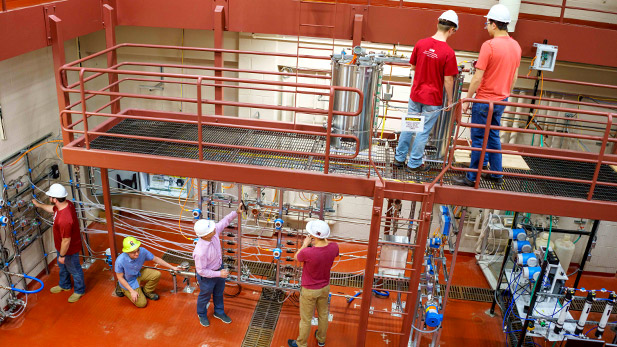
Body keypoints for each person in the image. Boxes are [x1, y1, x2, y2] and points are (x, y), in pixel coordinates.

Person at [454, 4, 521, 187]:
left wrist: (468, 99)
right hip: (502, 99)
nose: (487, 27)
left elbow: (477, 78)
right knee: (492, 136)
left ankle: (471, 178)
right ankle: (497, 174)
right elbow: (514, 77)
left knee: (478, 138)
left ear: (493, 24)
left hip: (484, 101)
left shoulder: (489, 46)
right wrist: (505, 93)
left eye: (487, 23)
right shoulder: (516, 46)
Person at [394, 10, 460, 172]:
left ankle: (399, 159)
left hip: (416, 95)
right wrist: (451, 100)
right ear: (451, 30)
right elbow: (448, 79)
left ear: (438, 24)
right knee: (423, 132)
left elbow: (413, 67)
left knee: (409, 127)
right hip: (432, 99)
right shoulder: (448, 53)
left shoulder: (421, 43)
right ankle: (414, 164)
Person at [288, 220, 339, 347]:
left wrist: (304, 245)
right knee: (322, 314)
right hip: (324, 287)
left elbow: (296, 257)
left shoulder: (308, 252)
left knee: (306, 319)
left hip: (309, 290)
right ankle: (321, 339)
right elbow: (329, 249)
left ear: (314, 237)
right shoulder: (334, 247)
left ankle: (301, 344)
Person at [32, 183, 85, 303]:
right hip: (61, 247)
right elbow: (52, 209)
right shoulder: (65, 204)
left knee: (75, 270)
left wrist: (62, 255)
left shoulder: (65, 219)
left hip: (68, 249)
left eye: (50, 197)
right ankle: (65, 285)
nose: (49, 198)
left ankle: (79, 290)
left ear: (55, 199)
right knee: (63, 267)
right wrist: (38, 205)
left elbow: (66, 240)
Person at [193, 204, 244, 327]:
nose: (215, 229)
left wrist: (236, 212)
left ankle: (219, 312)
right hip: (207, 277)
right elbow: (201, 271)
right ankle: (202, 314)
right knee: (205, 296)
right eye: (212, 229)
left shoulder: (213, 233)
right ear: (205, 235)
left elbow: (224, 221)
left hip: (218, 270)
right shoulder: (200, 252)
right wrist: (219, 274)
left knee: (219, 293)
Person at [115, 236, 180, 308]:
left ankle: (147, 291)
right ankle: (121, 288)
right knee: (142, 303)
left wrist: (172, 267)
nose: (137, 254)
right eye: (133, 252)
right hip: (128, 281)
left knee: (156, 274)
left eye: (137, 250)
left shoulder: (142, 251)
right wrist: (131, 291)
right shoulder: (120, 261)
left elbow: (156, 259)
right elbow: (120, 277)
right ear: (127, 252)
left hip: (137, 273)